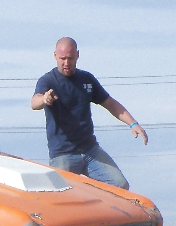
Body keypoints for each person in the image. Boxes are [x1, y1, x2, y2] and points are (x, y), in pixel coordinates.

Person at [30, 37, 147, 190]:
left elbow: (110, 103)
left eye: (70, 58)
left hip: (90, 150)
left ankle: (103, 213)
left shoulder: (86, 79)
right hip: (63, 154)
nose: (66, 63)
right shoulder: (48, 81)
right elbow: (34, 102)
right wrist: (45, 99)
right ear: (55, 56)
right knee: (61, 195)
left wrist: (133, 123)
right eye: (62, 58)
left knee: (119, 184)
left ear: (77, 55)